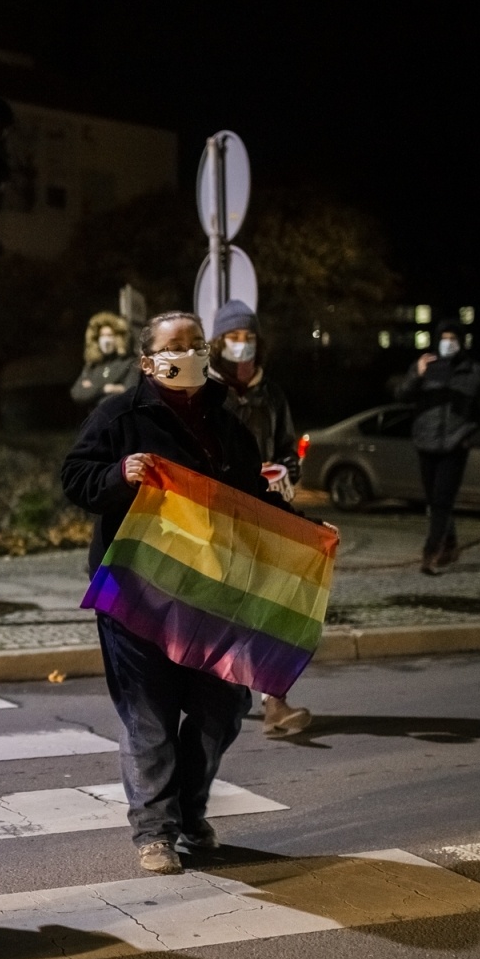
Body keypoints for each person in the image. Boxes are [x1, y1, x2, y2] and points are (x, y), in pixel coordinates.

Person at [61, 311, 316, 876]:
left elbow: (251, 500)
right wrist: (118, 475)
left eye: (198, 344)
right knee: (148, 715)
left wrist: (303, 530)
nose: (192, 352)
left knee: (221, 709)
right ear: (148, 361)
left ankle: (190, 810)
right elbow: (75, 479)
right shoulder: (118, 416)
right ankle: (155, 831)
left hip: (214, 591)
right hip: (139, 591)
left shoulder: (228, 423)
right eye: (177, 345)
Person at [204, 300, 312, 738]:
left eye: (249, 338)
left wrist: (286, 470)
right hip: (220, 513)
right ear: (218, 343)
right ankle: (210, 698)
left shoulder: (272, 393)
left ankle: (275, 703)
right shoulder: (205, 392)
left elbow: (289, 446)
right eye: (234, 337)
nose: (242, 346)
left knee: (271, 606)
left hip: (266, 510)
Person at [396, 321, 480, 575]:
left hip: (455, 445)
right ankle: (450, 544)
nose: (448, 342)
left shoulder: (475, 372)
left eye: (453, 338)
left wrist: (471, 439)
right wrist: (417, 375)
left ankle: (431, 553)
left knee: (442, 501)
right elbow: (402, 396)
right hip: (426, 443)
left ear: (461, 342)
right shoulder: (427, 366)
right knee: (435, 500)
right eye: (444, 337)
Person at [70, 311, 137, 407]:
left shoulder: (129, 363)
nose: (105, 340)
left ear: (118, 337)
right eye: (102, 335)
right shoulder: (92, 365)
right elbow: (77, 393)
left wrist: (92, 389)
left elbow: (130, 394)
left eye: (109, 335)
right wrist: (105, 389)